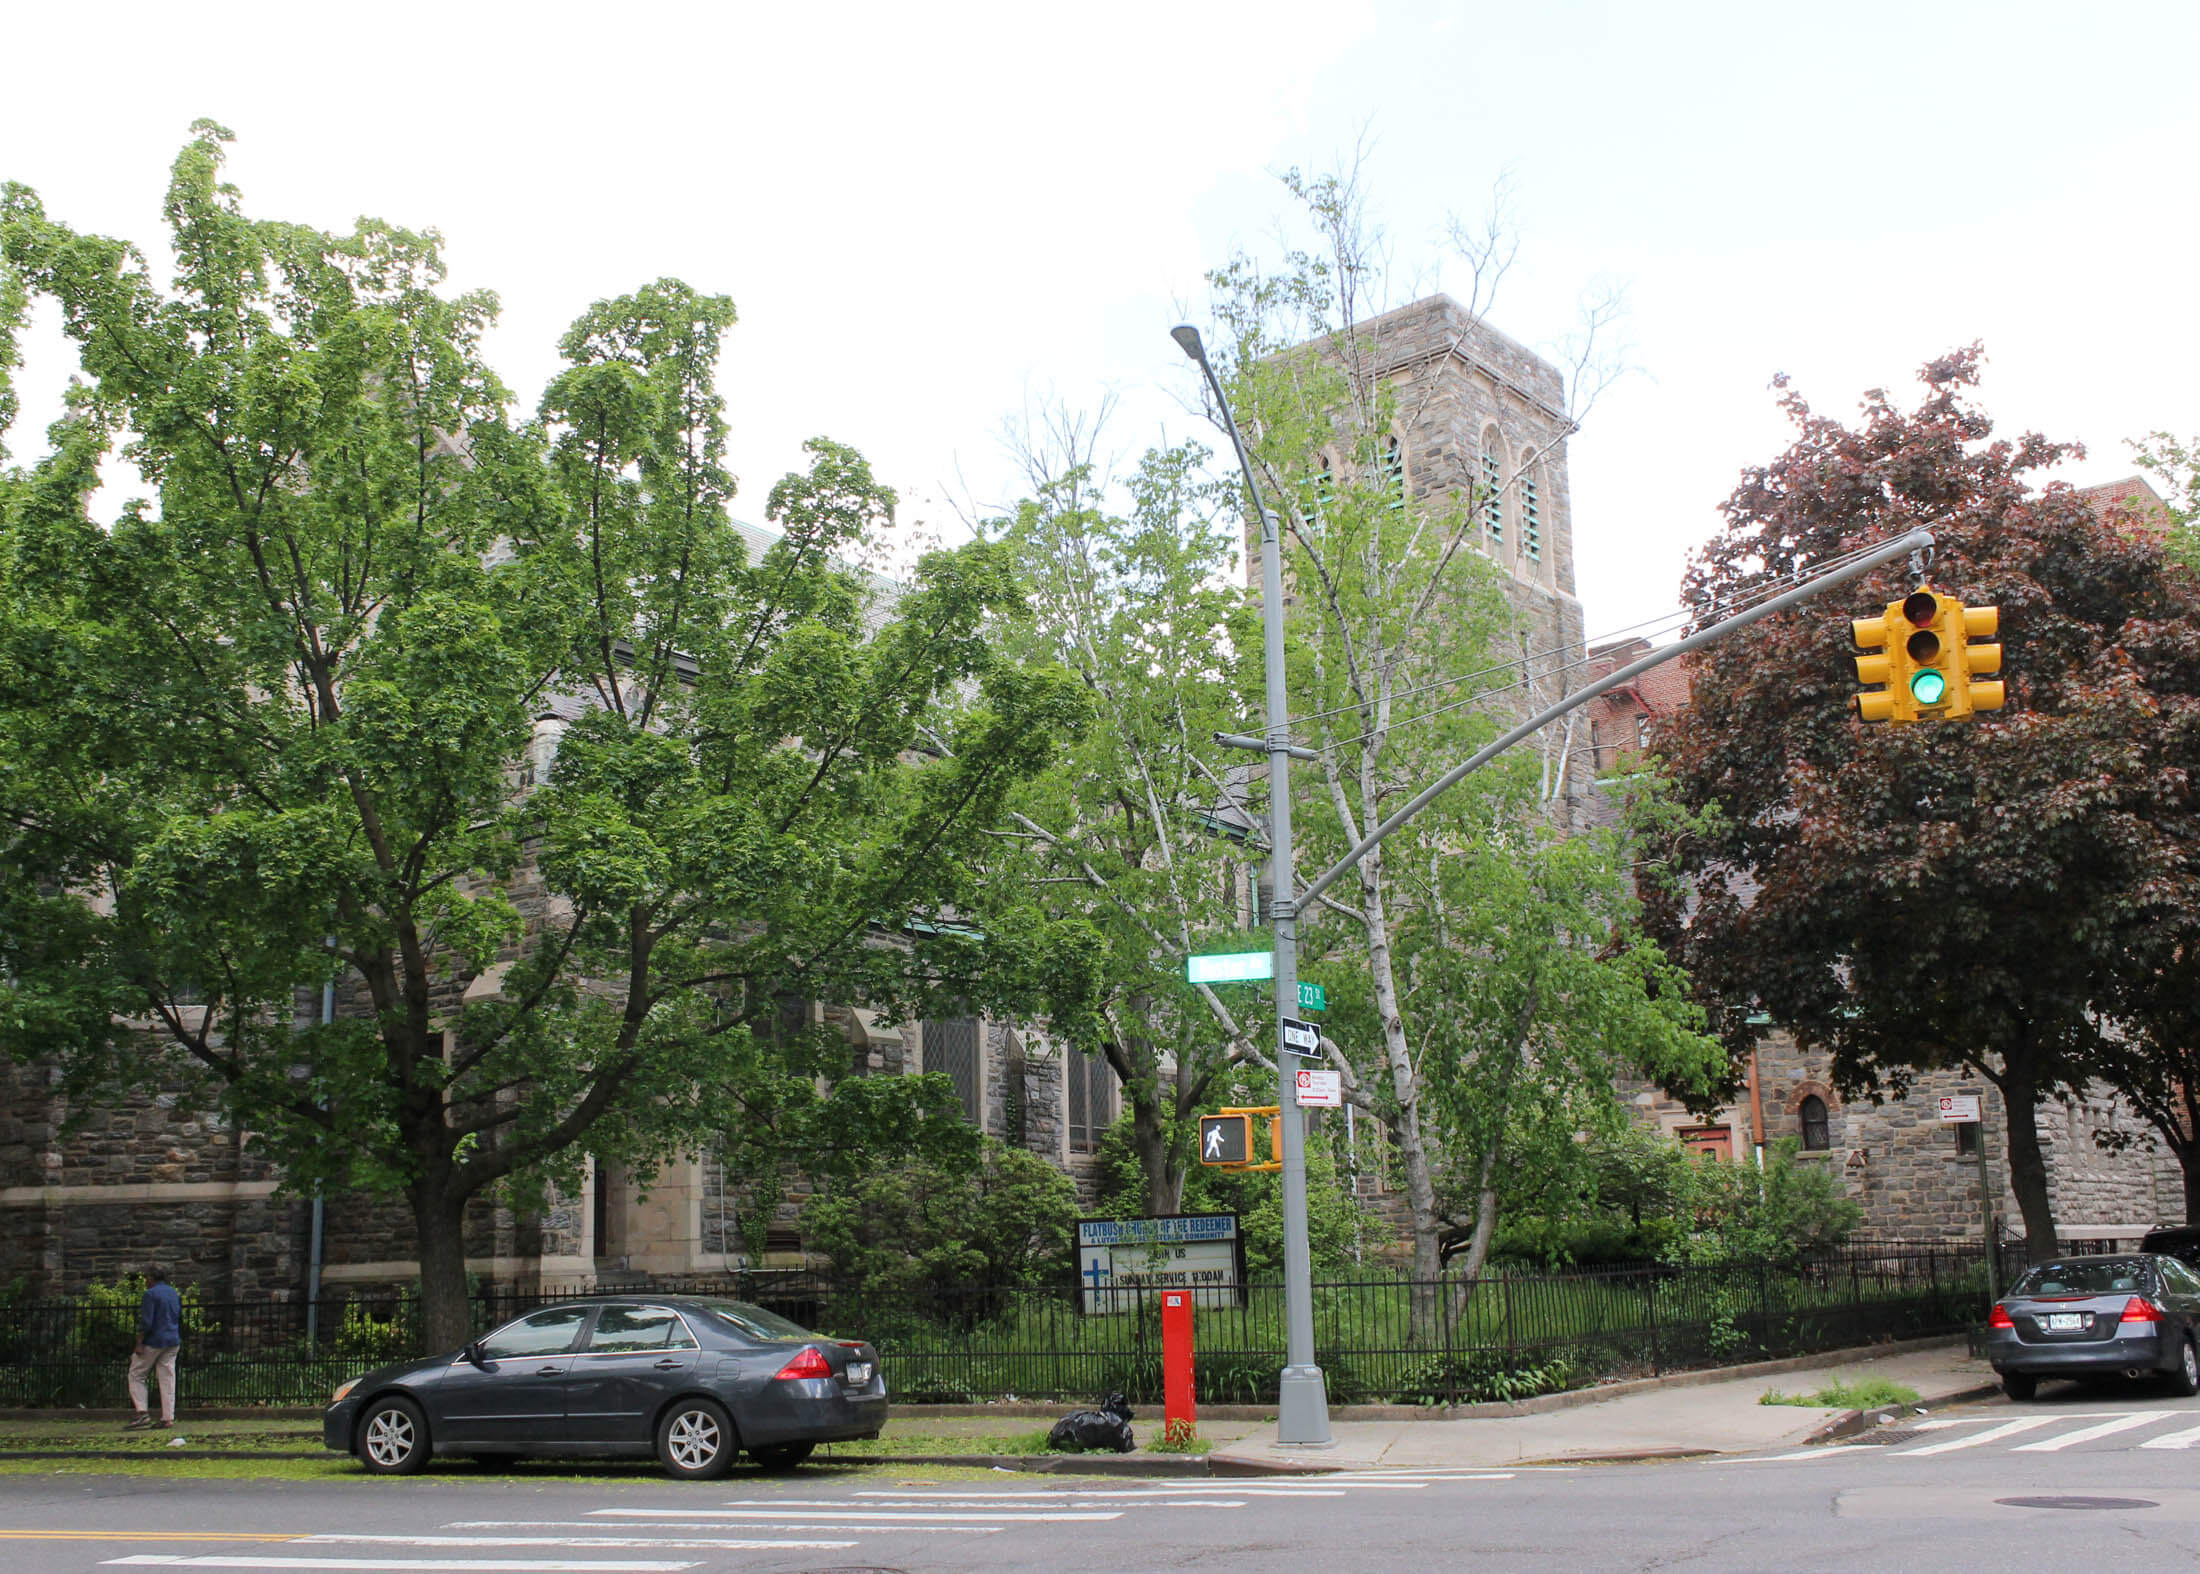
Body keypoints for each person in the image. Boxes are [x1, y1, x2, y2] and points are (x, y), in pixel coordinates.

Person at [124, 1266, 182, 1430]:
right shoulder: (173, 1293)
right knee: (167, 1378)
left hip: (155, 1340)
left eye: (146, 1278)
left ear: (151, 1279)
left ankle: (142, 1412)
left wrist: (139, 1342)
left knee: (136, 1374)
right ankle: (167, 1417)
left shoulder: (150, 1294)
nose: (145, 1282)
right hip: (173, 1339)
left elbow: (147, 1322)